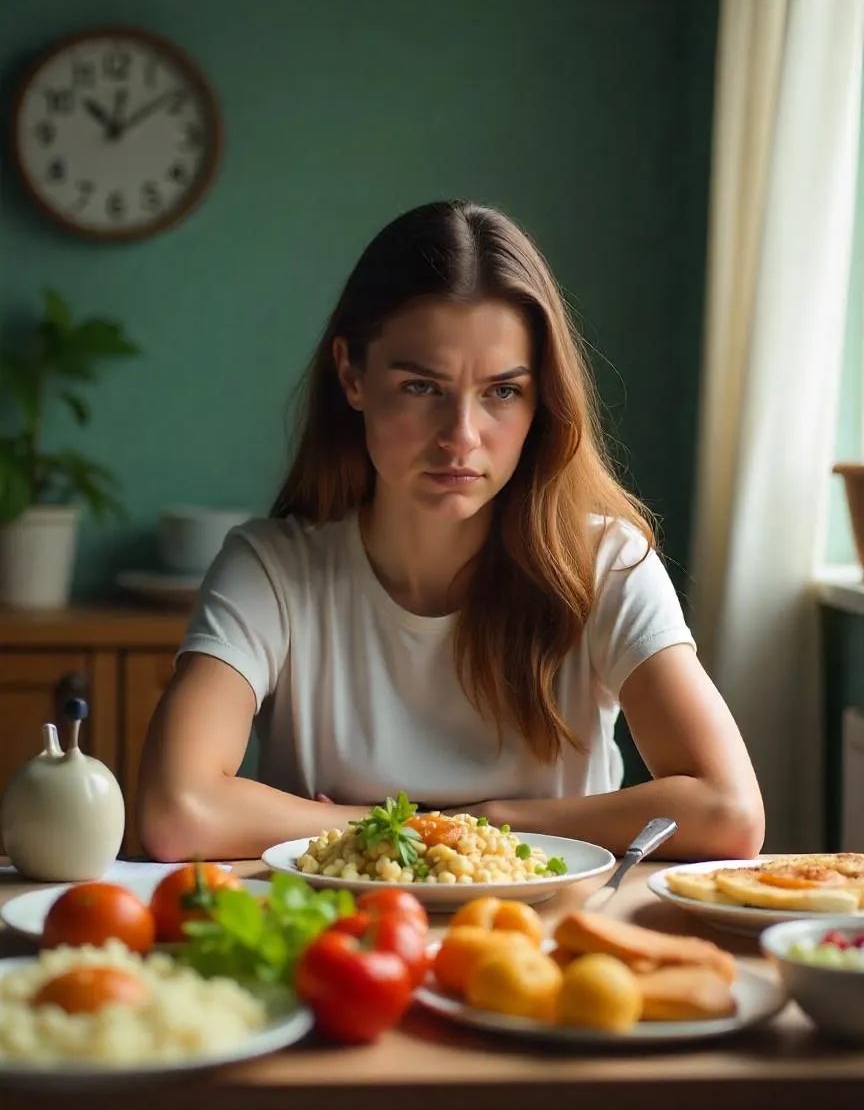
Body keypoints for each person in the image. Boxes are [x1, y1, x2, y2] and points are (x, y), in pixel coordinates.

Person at [137, 199, 764, 864]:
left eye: (501, 392)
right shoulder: (270, 569)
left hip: (551, 944)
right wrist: (428, 829)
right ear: (352, 374)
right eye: (421, 387)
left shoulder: (606, 565)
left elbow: (728, 813)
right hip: (337, 950)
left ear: (539, 398)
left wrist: (489, 820)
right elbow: (177, 811)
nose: (461, 438)